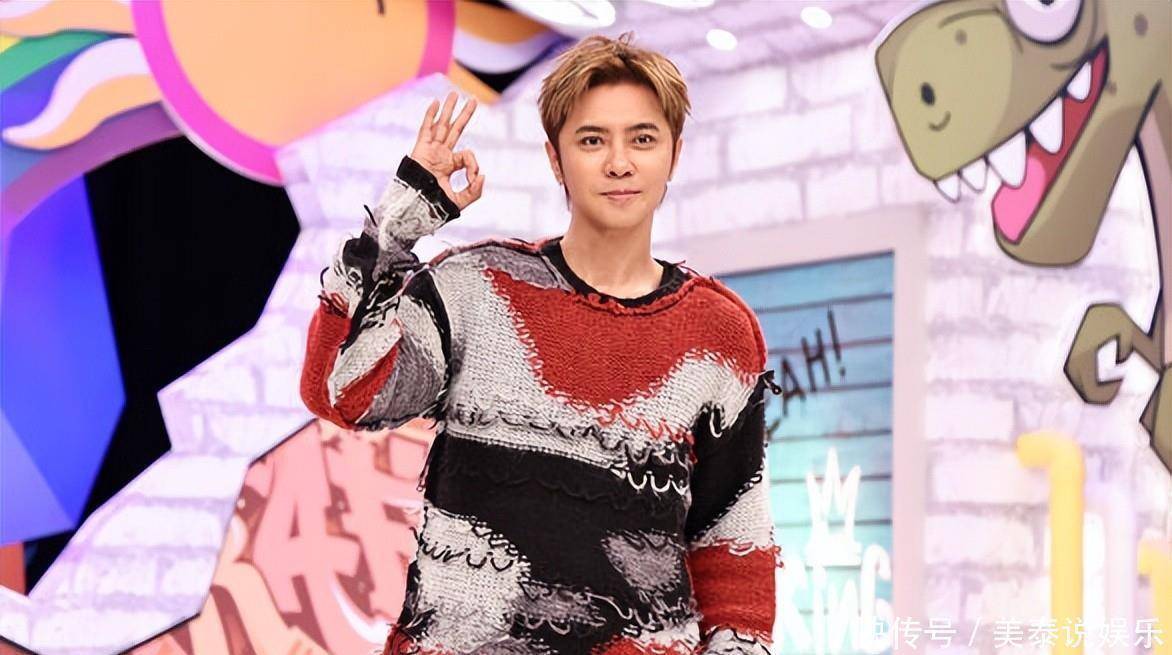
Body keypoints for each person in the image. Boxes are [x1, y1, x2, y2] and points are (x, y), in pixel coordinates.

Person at [301, 30, 783, 655]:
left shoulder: (719, 331)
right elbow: (338, 389)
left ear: (674, 155)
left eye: (642, 139)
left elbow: (733, 550)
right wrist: (399, 223)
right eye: (592, 140)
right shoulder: (475, 289)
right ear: (556, 159)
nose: (619, 163)